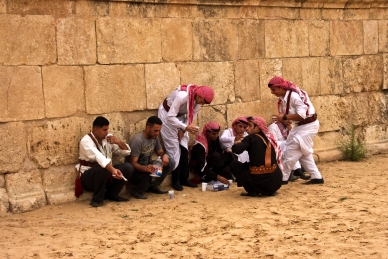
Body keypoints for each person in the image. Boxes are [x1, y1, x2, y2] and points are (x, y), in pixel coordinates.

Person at [268, 76, 324, 184]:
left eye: (274, 90)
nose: (272, 92)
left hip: (308, 126)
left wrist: (284, 118)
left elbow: (302, 115)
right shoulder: (285, 96)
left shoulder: (294, 96)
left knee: (291, 151)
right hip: (301, 126)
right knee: (303, 153)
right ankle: (317, 177)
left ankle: (283, 178)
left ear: (280, 87)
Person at [158, 84, 214, 191]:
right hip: (166, 116)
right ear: (199, 96)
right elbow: (170, 116)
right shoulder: (182, 96)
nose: (202, 104)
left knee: (184, 146)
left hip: (180, 119)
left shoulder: (197, 100)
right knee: (174, 149)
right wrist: (184, 127)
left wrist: (183, 130)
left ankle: (184, 178)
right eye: (202, 101)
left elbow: (191, 116)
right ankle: (176, 180)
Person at [76, 116, 133, 207]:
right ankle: (97, 199)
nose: (107, 132)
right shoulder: (86, 141)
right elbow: (100, 158)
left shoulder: (107, 138)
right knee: (101, 169)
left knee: (128, 167)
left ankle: (112, 194)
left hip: (106, 173)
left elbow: (126, 152)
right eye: (104, 130)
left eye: (107, 129)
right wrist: (113, 170)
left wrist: (118, 142)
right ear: (95, 130)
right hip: (89, 177)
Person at [231, 116, 283, 197]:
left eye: (250, 126)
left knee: (233, 164)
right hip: (276, 183)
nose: (246, 129)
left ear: (257, 128)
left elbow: (236, 150)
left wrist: (236, 143)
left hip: (259, 183)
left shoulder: (251, 138)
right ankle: (270, 191)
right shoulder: (270, 137)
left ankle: (252, 191)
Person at [125, 116, 175, 199]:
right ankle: (138, 190)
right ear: (148, 128)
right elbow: (133, 163)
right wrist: (145, 169)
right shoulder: (138, 140)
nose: (157, 133)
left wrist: (164, 156)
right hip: (136, 173)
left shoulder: (154, 137)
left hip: (148, 166)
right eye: (155, 130)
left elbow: (160, 152)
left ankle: (153, 185)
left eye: (159, 131)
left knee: (171, 162)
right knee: (153, 168)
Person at [267, 116, 310, 181]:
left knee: (295, 147)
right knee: (289, 148)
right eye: (286, 120)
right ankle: (298, 171)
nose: (289, 121)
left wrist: (291, 131)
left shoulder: (290, 127)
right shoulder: (273, 127)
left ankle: (297, 170)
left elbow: (295, 139)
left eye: (290, 120)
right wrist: (285, 143)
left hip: (286, 148)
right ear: (280, 119)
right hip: (276, 148)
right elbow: (272, 141)